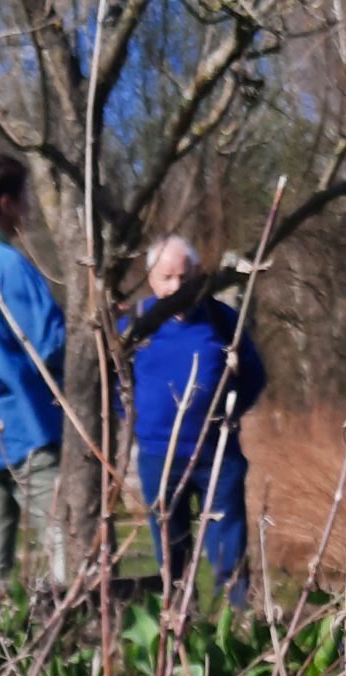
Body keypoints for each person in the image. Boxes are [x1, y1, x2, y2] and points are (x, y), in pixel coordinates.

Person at [122, 235, 266, 604]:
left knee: (227, 546)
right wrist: (134, 420)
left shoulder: (221, 319)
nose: (176, 288)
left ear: (199, 276)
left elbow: (254, 373)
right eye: (167, 278)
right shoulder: (136, 325)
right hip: (159, 455)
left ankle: (236, 622)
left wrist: (230, 412)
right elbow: (115, 382)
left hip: (217, 452)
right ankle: (180, 618)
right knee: (170, 548)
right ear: (151, 279)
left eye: (184, 279)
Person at [0, 152, 66, 592]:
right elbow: (51, 344)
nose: (27, 209)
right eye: (24, 199)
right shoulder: (3, 264)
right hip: (28, 426)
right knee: (69, 550)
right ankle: (81, 647)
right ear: (6, 203)